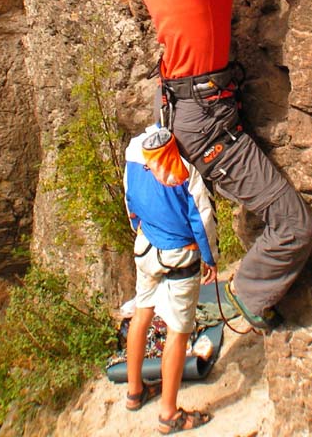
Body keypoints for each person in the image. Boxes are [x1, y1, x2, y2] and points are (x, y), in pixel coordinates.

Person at [117, 0, 312, 332]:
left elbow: (186, 14)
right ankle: (246, 300)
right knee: (292, 225)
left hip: (191, 107)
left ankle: (238, 291)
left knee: (273, 209)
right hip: (207, 118)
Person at [124, 126, 217, 434]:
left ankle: (134, 391)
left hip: (146, 246)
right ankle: (168, 414)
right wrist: (210, 257)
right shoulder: (184, 169)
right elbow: (201, 218)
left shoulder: (135, 158)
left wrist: (139, 225)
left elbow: (130, 201)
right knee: (177, 333)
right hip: (179, 254)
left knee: (142, 313)